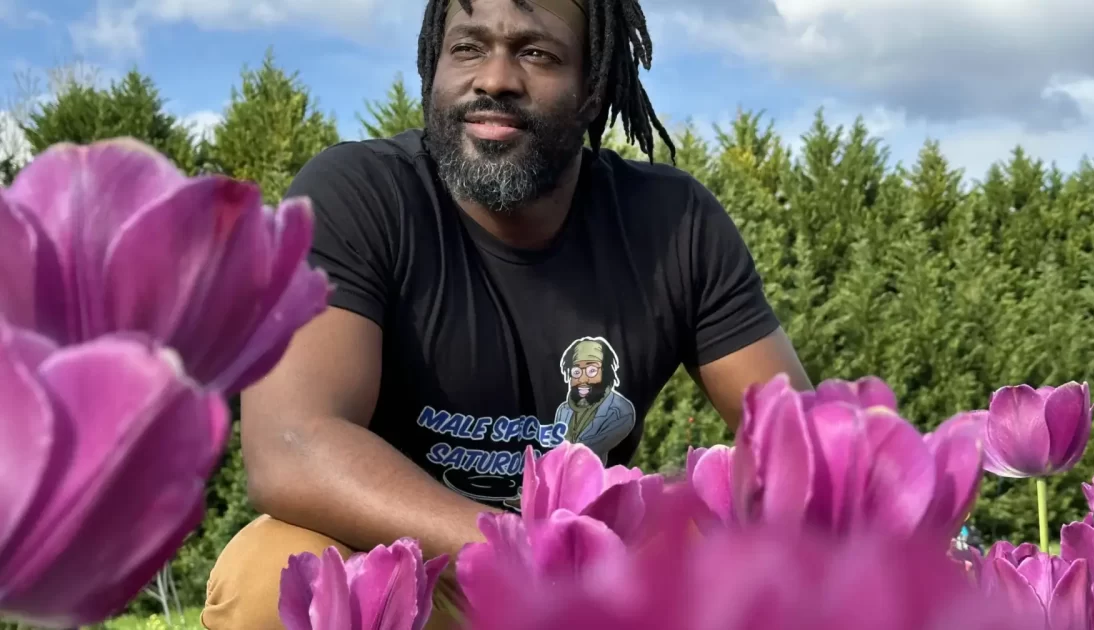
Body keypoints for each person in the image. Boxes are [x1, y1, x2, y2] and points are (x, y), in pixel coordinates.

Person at [200, 0, 811, 627]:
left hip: (591, 585)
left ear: (592, 89)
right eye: (467, 48)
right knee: (268, 573)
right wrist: (523, 552)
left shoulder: (675, 225)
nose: (494, 78)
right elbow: (293, 446)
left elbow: (808, 448)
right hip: (415, 581)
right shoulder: (358, 194)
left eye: (535, 53)